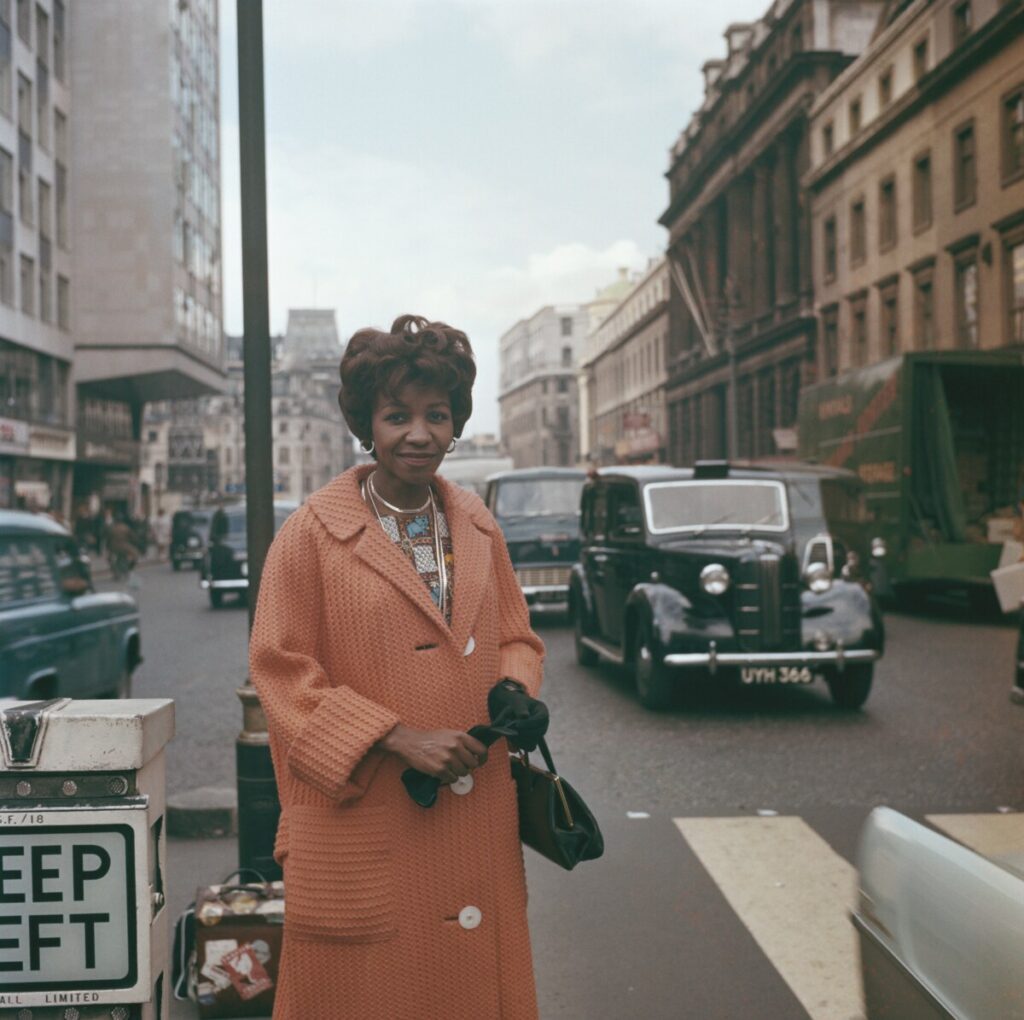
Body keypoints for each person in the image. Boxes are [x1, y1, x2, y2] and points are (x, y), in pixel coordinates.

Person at [250, 314, 548, 1019]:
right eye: (397, 415)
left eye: (436, 415)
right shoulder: (311, 534)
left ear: (456, 425)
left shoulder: (476, 522)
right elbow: (280, 671)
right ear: (366, 426)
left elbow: (518, 636)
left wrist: (516, 687)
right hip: (367, 821)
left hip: (475, 820)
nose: (419, 433)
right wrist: (397, 736)